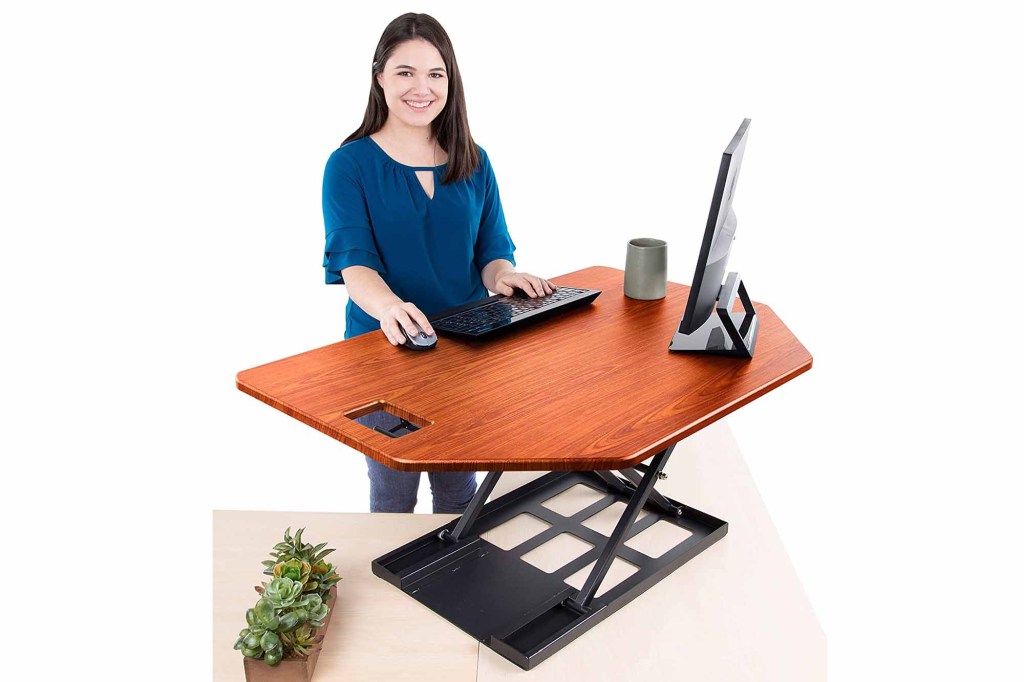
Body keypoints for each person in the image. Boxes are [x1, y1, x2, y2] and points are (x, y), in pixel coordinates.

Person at [322, 13, 554, 514]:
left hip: (463, 355)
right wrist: (389, 308)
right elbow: (354, 265)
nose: (420, 88)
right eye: (405, 72)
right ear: (380, 76)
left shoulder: (474, 159)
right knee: (392, 491)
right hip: (382, 352)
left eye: (435, 73)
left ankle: (455, 580)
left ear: (451, 80)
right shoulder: (349, 165)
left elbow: (492, 252)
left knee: (458, 489)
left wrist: (504, 276)